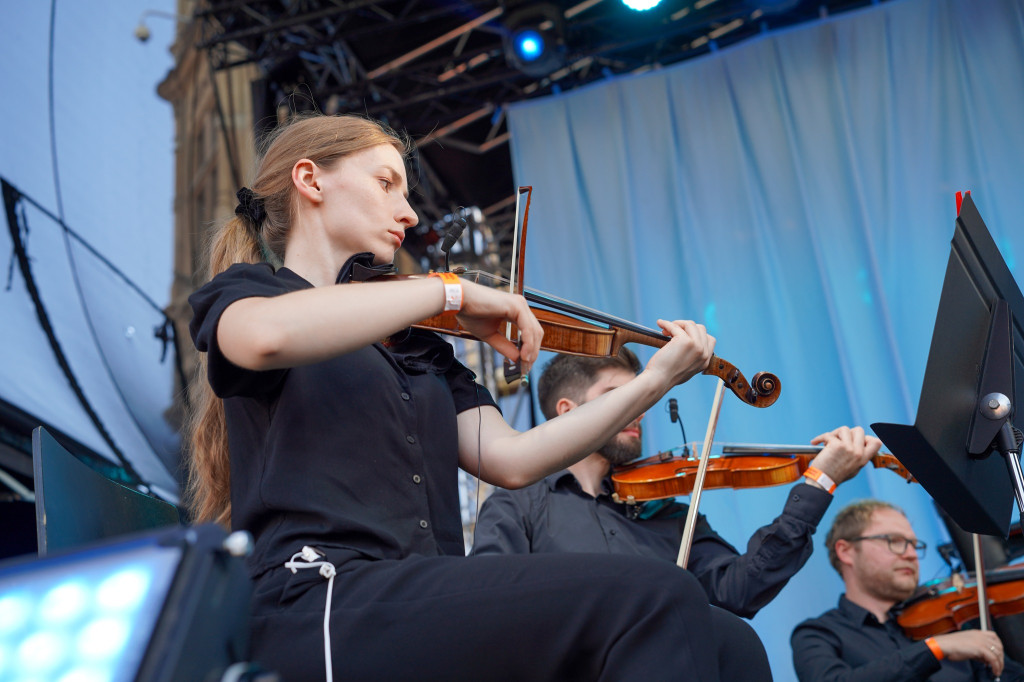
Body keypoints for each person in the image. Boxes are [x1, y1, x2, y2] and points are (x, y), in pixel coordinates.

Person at [186, 112, 772, 681]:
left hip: (419, 599)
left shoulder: (417, 347)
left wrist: (654, 383)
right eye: (385, 182)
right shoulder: (253, 296)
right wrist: (447, 291)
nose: (408, 213)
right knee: (657, 594)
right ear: (310, 180)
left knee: (729, 641)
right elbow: (265, 337)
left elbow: (512, 461)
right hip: (318, 597)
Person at [470, 350, 881, 618]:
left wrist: (820, 480)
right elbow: (489, 608)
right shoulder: (517, 505)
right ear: (567, 410)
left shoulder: (667, 512)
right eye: (618, 395)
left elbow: (741, 588)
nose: (638, 410)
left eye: (641, 397)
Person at [790, 499, 1024, 681]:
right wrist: (933, 649)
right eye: (895, 541)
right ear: (846, 551)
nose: (911, 554)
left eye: (913, 544)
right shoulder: (817, 635)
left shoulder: (950, 627)